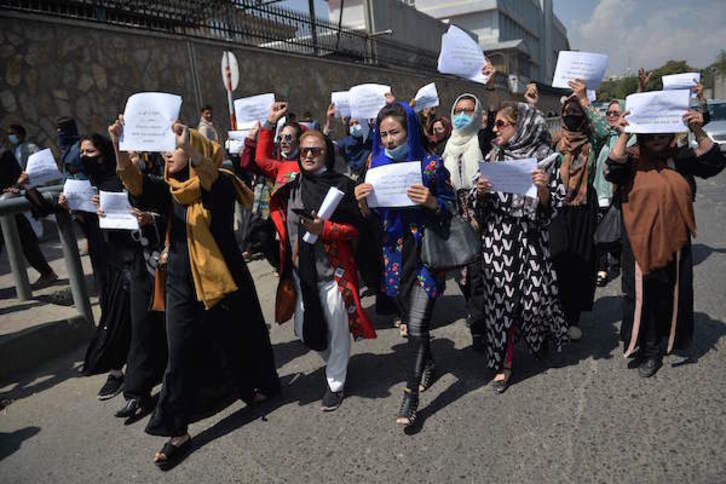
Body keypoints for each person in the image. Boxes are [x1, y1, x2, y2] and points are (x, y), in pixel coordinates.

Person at [114, 118, 279, 468]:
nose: (166, 155)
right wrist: (119, 147)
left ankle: (251, 387)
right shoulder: (170, 188)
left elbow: (209, 177)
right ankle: (177, 431)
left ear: (192, 153)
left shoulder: (217, 186)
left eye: (174, 150)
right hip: (180, 284)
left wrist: (189, 144)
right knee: (180, 353)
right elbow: (136, 184)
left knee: (236, 336)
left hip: (222, 279)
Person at [355, 102, 455, 428]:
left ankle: (411, 394)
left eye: (394, 132)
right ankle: (427, 362)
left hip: (426, 253)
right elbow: (370, 218)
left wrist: (431, 201)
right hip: (395, 257)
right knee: (416, 326)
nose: (388, 140)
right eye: (383, 134)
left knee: (415, 325)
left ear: (408, 130)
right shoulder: (375, 166)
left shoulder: (430, 166)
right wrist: (362, 204)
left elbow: (451, 207)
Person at [263, 128, 376, 411]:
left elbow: (356, 229)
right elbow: (259, 161)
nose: (309, 155)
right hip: (303, 274)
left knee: (337, 329)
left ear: (327, 152)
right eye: (304, 151)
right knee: (306, 331)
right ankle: (336, 361)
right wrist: (267, 126)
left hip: (333, 274)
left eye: (316, 150)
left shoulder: (342, 186)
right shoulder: (291, 184)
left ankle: (335, 383)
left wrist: (324, 228)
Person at [605, 109, 724, 377]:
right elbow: (612, 170)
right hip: (638, 245)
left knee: (667, 295)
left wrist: (697, 130)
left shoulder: (678, 158)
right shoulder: (633, 158)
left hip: (673, 244)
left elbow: (714, 162)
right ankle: (647, 349)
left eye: (662, 132)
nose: (657, 138)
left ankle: (662, 344)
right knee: (639, 297)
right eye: (651, 133)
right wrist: (624, 135)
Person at [472, 102, 569, 393]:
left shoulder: (544, 158)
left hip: (530, 240)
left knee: (534, 298)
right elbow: (478, 208)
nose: (495, 129)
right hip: (498, 242)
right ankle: (504, 362)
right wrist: (480, 193)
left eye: (502, 124)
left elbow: (553, 206)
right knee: (502, 304)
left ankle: (540, 338)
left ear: (522, 126)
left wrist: (542, 189)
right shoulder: (495, 154)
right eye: (495, 123)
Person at [440, 61, 498, 351]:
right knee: (463, 274)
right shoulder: (448, 146)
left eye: (468, 110)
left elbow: (495, 115)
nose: (463, 116)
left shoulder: (482, 140)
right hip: (456, 217)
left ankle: (482, 326)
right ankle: (476, 314)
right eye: (458, 111)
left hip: (483, 215)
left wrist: (489, 88)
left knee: (481, 273)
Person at [548, 78, 610, 341]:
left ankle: (573, 316)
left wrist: (584, 99)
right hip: (558, 208)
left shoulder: (592, 141)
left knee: (581, 262)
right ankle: (556, 313)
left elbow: (605, 129)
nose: (572, 116)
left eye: (577, 113)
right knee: (558, 259)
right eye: (568, 112)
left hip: (584, 209)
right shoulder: (554, 141)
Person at [74, 133, 133, 400]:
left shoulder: (119, 177)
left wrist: (111, 205)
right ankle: (117, 369)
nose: (86, 158)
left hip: (124, 256)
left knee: (126, 312)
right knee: (111, 311)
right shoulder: (88, 182)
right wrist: (77, 210)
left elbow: (132, 210)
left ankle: (125, 370)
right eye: (83, 153)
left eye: (91, 153)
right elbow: (90, 226)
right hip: (103, 258)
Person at [0, 149, 58, 288]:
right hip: (7, 204)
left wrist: (16, 186)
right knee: (26, 240)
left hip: (8, 205)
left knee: (26, 240)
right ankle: (46, 273)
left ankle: (47, 273)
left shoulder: (6, 156)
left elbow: (19, 179)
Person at [592, 100, 634, 286]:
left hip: (617, 194)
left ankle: (618, 264)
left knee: (616, 231)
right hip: (600, 192)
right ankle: (601, 268)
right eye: (608, 113)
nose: (610, 116)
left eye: (615, 113)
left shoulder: (630, 137)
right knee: (601, 232)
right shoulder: (604, 136)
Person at [323, 104, 373, 180]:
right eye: (351, 124)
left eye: (357, 123)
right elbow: (326, 144)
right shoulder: (345, 142)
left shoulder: (374, 138)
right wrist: (329, 120)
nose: (354, 126)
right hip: (355, 177)